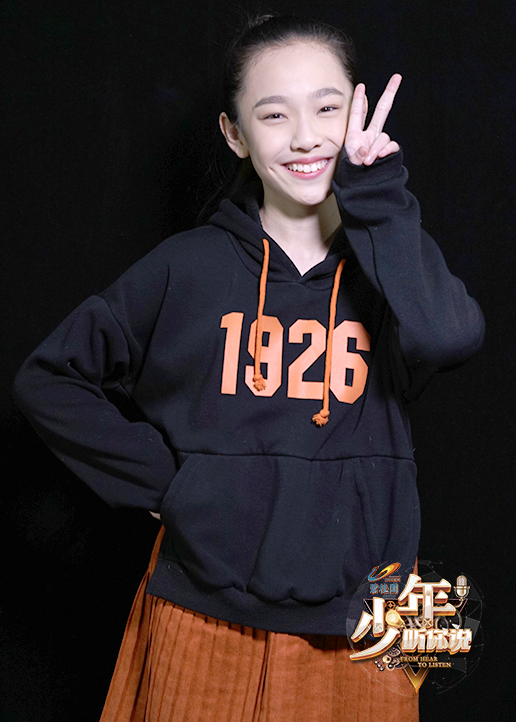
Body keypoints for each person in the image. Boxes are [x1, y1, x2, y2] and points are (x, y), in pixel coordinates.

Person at [13, 13, 484, 722]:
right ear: (235, 134)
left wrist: (379, 197)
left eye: (327, 108)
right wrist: (171, 484)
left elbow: (452, 337)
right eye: (273, 114)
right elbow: (47, 379)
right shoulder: (186, 267)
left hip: (376, 614)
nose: (305, 137)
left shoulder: (394, 264)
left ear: (357, 113)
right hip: (202, 604)